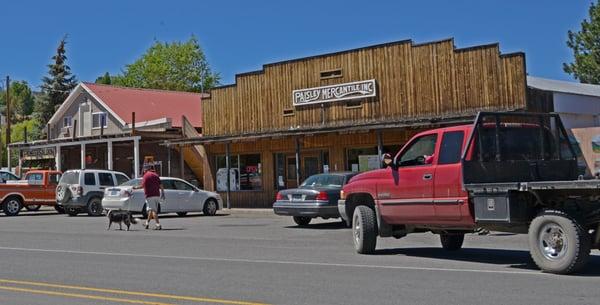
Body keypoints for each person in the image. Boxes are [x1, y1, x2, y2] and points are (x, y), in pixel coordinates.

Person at [134, 165, 165, 230]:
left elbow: (142, 185)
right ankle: (147, 223)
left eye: (144, 170)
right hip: (157, 195)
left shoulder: (146, 176)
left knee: (153, 210)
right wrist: (163, 193)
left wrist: (135, 187)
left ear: (145, 170)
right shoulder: (156, 175)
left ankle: (158, 224)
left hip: (149, 195)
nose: (143, 172)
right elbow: (161, 185)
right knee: (151, 210)